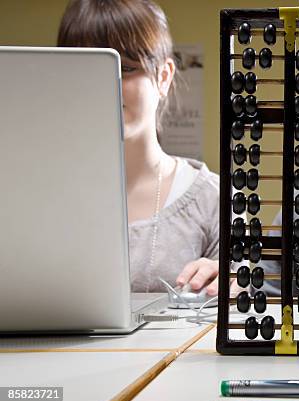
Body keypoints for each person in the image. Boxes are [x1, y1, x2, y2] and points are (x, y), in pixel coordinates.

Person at [57, 0, 220, 294]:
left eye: (127, 67)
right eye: (85, 68)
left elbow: (237, 314)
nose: (105, 84)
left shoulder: (214, 201)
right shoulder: (39, 194)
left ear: (164, 76)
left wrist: (236, 286)